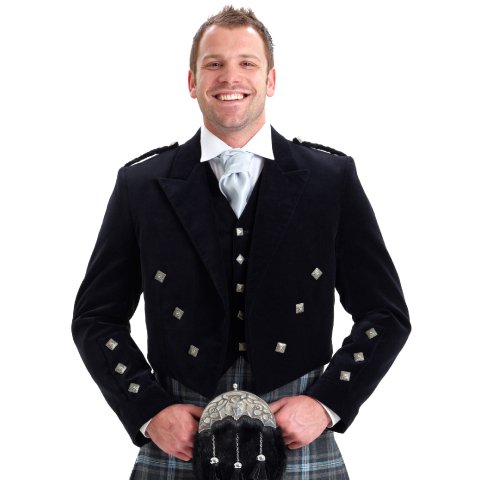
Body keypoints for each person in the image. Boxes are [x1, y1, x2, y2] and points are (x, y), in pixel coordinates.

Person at [72, 6, 410, 479]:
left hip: (296, 431)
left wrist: (327, 403)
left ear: (270, 80)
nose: (230, 77)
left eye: (247, 63)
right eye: (214, 63)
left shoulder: (329, 180)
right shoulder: (142, 185)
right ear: (192, 81)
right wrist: (149, 410)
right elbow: (96, 318)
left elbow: (385, 314)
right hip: (180, 435)